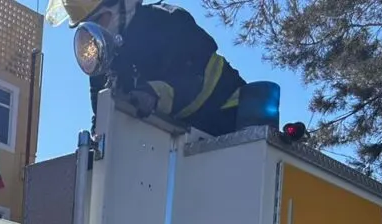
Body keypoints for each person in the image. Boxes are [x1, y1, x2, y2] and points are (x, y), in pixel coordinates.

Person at [47, 0, 246, 137]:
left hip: (229, 116)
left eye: (100, 19)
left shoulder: (168, 21)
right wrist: (97, 139)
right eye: (88, 25)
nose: (96, 32)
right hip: (176, 137)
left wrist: (154, 94)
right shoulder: (104, 56)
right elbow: (102, 109)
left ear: (123, 5)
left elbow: (196, 77)